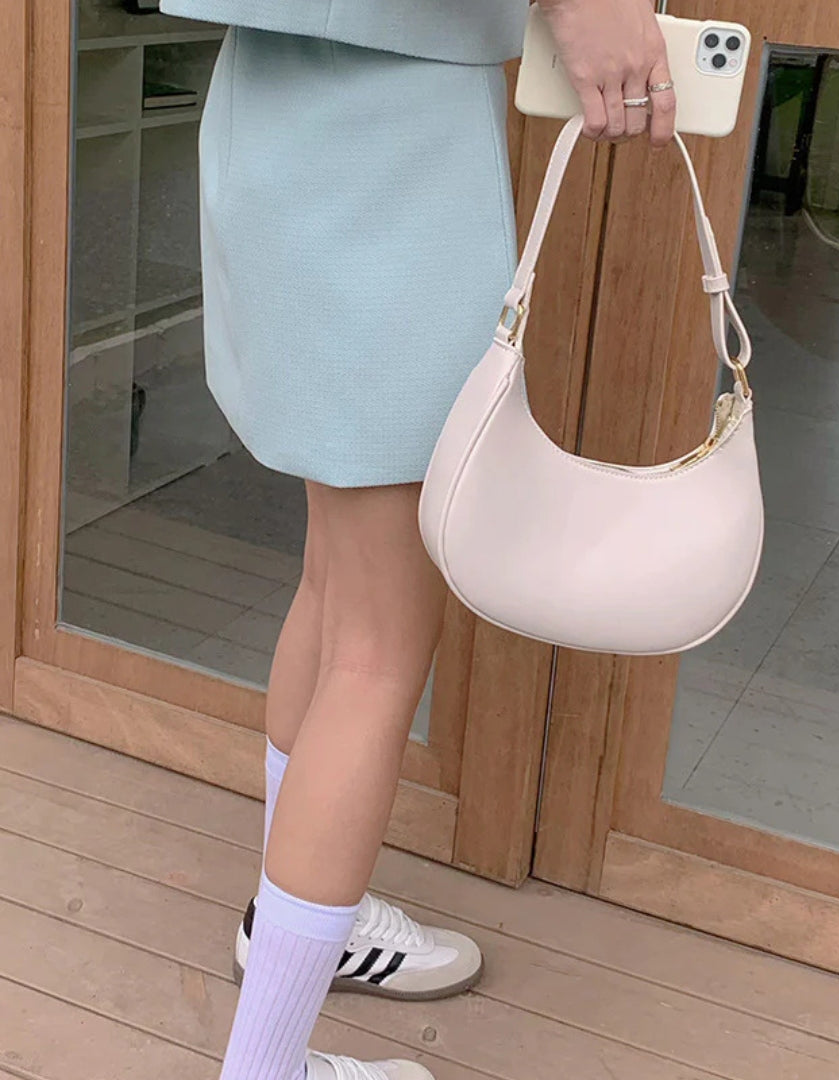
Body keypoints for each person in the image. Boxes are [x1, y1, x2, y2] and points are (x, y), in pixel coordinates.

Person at [155, 0, 677, 1076]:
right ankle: (266, 1068)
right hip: (386, 141)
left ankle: (309, 925)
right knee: (379, 644)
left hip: (280, 106)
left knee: (337, 586)